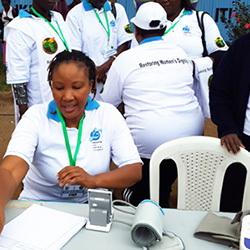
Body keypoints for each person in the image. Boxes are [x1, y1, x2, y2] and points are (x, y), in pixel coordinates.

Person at [0, 50, 142, 234]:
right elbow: (10, 170)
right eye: (59, 88)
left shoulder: (107, 115)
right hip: (39, 209)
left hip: (90, 211)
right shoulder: (36, 117)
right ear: (51, 87)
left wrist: (93, 180)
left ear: (91, 85)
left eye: (76, 87)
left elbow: (134, 170)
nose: (67, 97)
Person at [101, 2, 204, 207]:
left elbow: (108, 103)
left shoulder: (125, 59)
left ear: (136, 31)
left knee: (140, 195)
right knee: (163, 180)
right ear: (164, 29)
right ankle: (161, 194)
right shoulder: (181, 53)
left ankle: (138, 195)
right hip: (191, 138)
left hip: (148, 143)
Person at [5, 0, 71, 123]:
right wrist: (25, 116)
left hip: (65, 102)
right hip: (38, 107)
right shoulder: (20, 27)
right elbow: (18, 79)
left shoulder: (58, 19)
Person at [209, 33, 250, 212]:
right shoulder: (243, 47)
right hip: (241, 143)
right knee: (231, 206)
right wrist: (228, 127)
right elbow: (219, 91)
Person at [66, 0, 133, 100]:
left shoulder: (117, 10)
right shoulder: (75, 15)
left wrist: (105, 68)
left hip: (114, 80)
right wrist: (95, 72)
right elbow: (75, 52)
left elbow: (124, 43)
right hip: (88, 81)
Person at [1, 0, 17, 64]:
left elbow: (18, 21)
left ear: (9, 3)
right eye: (3, 5)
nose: (5, 7)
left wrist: (9, 19)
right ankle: (6, 67)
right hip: (5, 35)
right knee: (5, 52)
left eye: (6, 5)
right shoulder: (2, 12)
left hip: (13, 35)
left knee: (13, 51)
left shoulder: (14, 11)